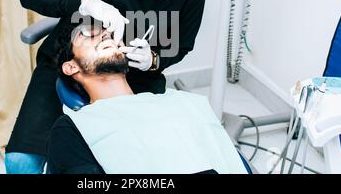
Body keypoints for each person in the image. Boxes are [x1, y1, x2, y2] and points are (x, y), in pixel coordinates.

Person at [5, 0, 232, 174]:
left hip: (138, 79)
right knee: (21, 163)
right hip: (69, 61)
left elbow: (180, 45)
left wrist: (154, 59)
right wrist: (82, 2)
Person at [45, 21, 247, 174]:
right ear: (71, 66)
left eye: (109, 34)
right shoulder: (73, 128)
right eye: (88, 35)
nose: (106, 36)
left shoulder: (182, 102)